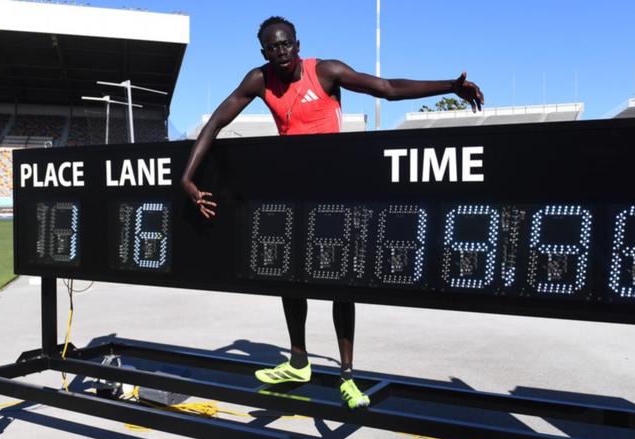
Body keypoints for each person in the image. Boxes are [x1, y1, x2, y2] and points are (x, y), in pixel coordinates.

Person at [181, 16, 484, 410]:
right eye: (273, 48)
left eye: (286, 44)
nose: (281, 52)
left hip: (334, 193)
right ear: (264, 53)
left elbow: (387, 89)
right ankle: (298, 362)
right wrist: (187, 178)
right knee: (289, 277)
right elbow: (216, 122)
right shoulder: (258, 80)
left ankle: (347, 376)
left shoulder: (326, 72)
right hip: (295, 194)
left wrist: (450, 85)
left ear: (297, 43)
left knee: (340, 285)